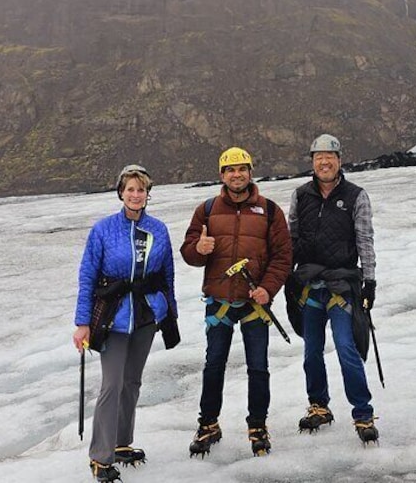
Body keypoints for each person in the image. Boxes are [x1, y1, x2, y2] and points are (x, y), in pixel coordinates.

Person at [180, 147, 292, 457]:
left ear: (250, 172)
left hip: (255, 304)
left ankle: (258, 425)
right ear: (221, 175)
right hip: (220, 302)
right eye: (230, 170)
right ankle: (208, 425)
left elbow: (283, 257)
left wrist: (268, 289)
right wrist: (198, 248)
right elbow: (188, 252)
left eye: (242, 169)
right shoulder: (206, 210)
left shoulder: (270, 210)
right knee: (214, 364)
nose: (236, 174)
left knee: (258, 367)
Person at [72, 164, 177, 482]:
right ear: (121, 193)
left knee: (132, 383)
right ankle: (100, 456)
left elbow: (167, 274)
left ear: (148, 195)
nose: (135, 194)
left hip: (145, 316)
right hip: (113, 318)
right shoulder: (103, 230)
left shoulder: (158, 229)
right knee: (112, 385)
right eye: (130, 189)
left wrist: (169, 314)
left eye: (141, 190)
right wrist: (82, 322)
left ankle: (121, 443)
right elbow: (88, 276)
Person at [286, 134, 379, 444]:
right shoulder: (301, 196)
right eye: (318, 157)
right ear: (312, 161)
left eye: (330, 156)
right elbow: (291, 239)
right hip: (310, 286)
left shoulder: (356, 196)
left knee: (345, 347)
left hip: (341, 284)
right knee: (312, 350)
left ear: (340, 160)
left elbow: (364, 238)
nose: (324, 162)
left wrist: (370, 280)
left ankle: (363, 413)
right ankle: (319, 405)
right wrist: (287, 275)